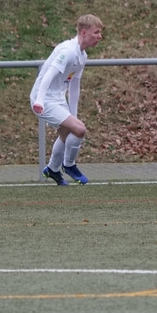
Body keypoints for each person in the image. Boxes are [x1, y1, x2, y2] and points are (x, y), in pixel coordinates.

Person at [30, 15, 104, 186]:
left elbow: (74, 85)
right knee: (80, 130)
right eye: (96, 32)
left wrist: (73, 115)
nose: (100, 36)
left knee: (67, 132)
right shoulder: (68, 51)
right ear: (84, 32)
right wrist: (39, 100)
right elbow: (48, 75)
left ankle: (52, 169)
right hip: (44, 99)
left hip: (58, 98)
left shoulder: (82, 55)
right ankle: (69, 165)